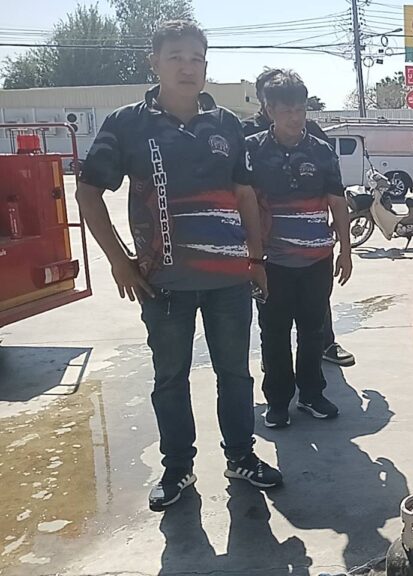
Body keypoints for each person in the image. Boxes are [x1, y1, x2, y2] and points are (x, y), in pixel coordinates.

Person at [75, 20, 283, 512]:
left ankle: (241, 457)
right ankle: (177, 469)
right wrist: (120, 261)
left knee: (235, 375)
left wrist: (256, 258)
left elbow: (245, 196)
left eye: (196, 58)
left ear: (205, 66)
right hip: (162, 283)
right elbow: (88, 193)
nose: (187, 67)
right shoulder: (127, 124)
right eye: (176, 57)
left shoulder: (227, 125)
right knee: (170, 379)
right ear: (154, 63)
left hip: (229, 281)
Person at [246, 70, 353, 428]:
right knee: (274, 333)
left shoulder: (321, 150)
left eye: (300, 110)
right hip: (272, 263)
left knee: (313, 331)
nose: (295, 117)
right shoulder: (253, 150)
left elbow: (337, 202)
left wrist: (346, 251)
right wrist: (252, 258)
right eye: (287, 110)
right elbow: (243, 203)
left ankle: (311, 394)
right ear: (269, 110)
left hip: (317, 260)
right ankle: (278, 401)